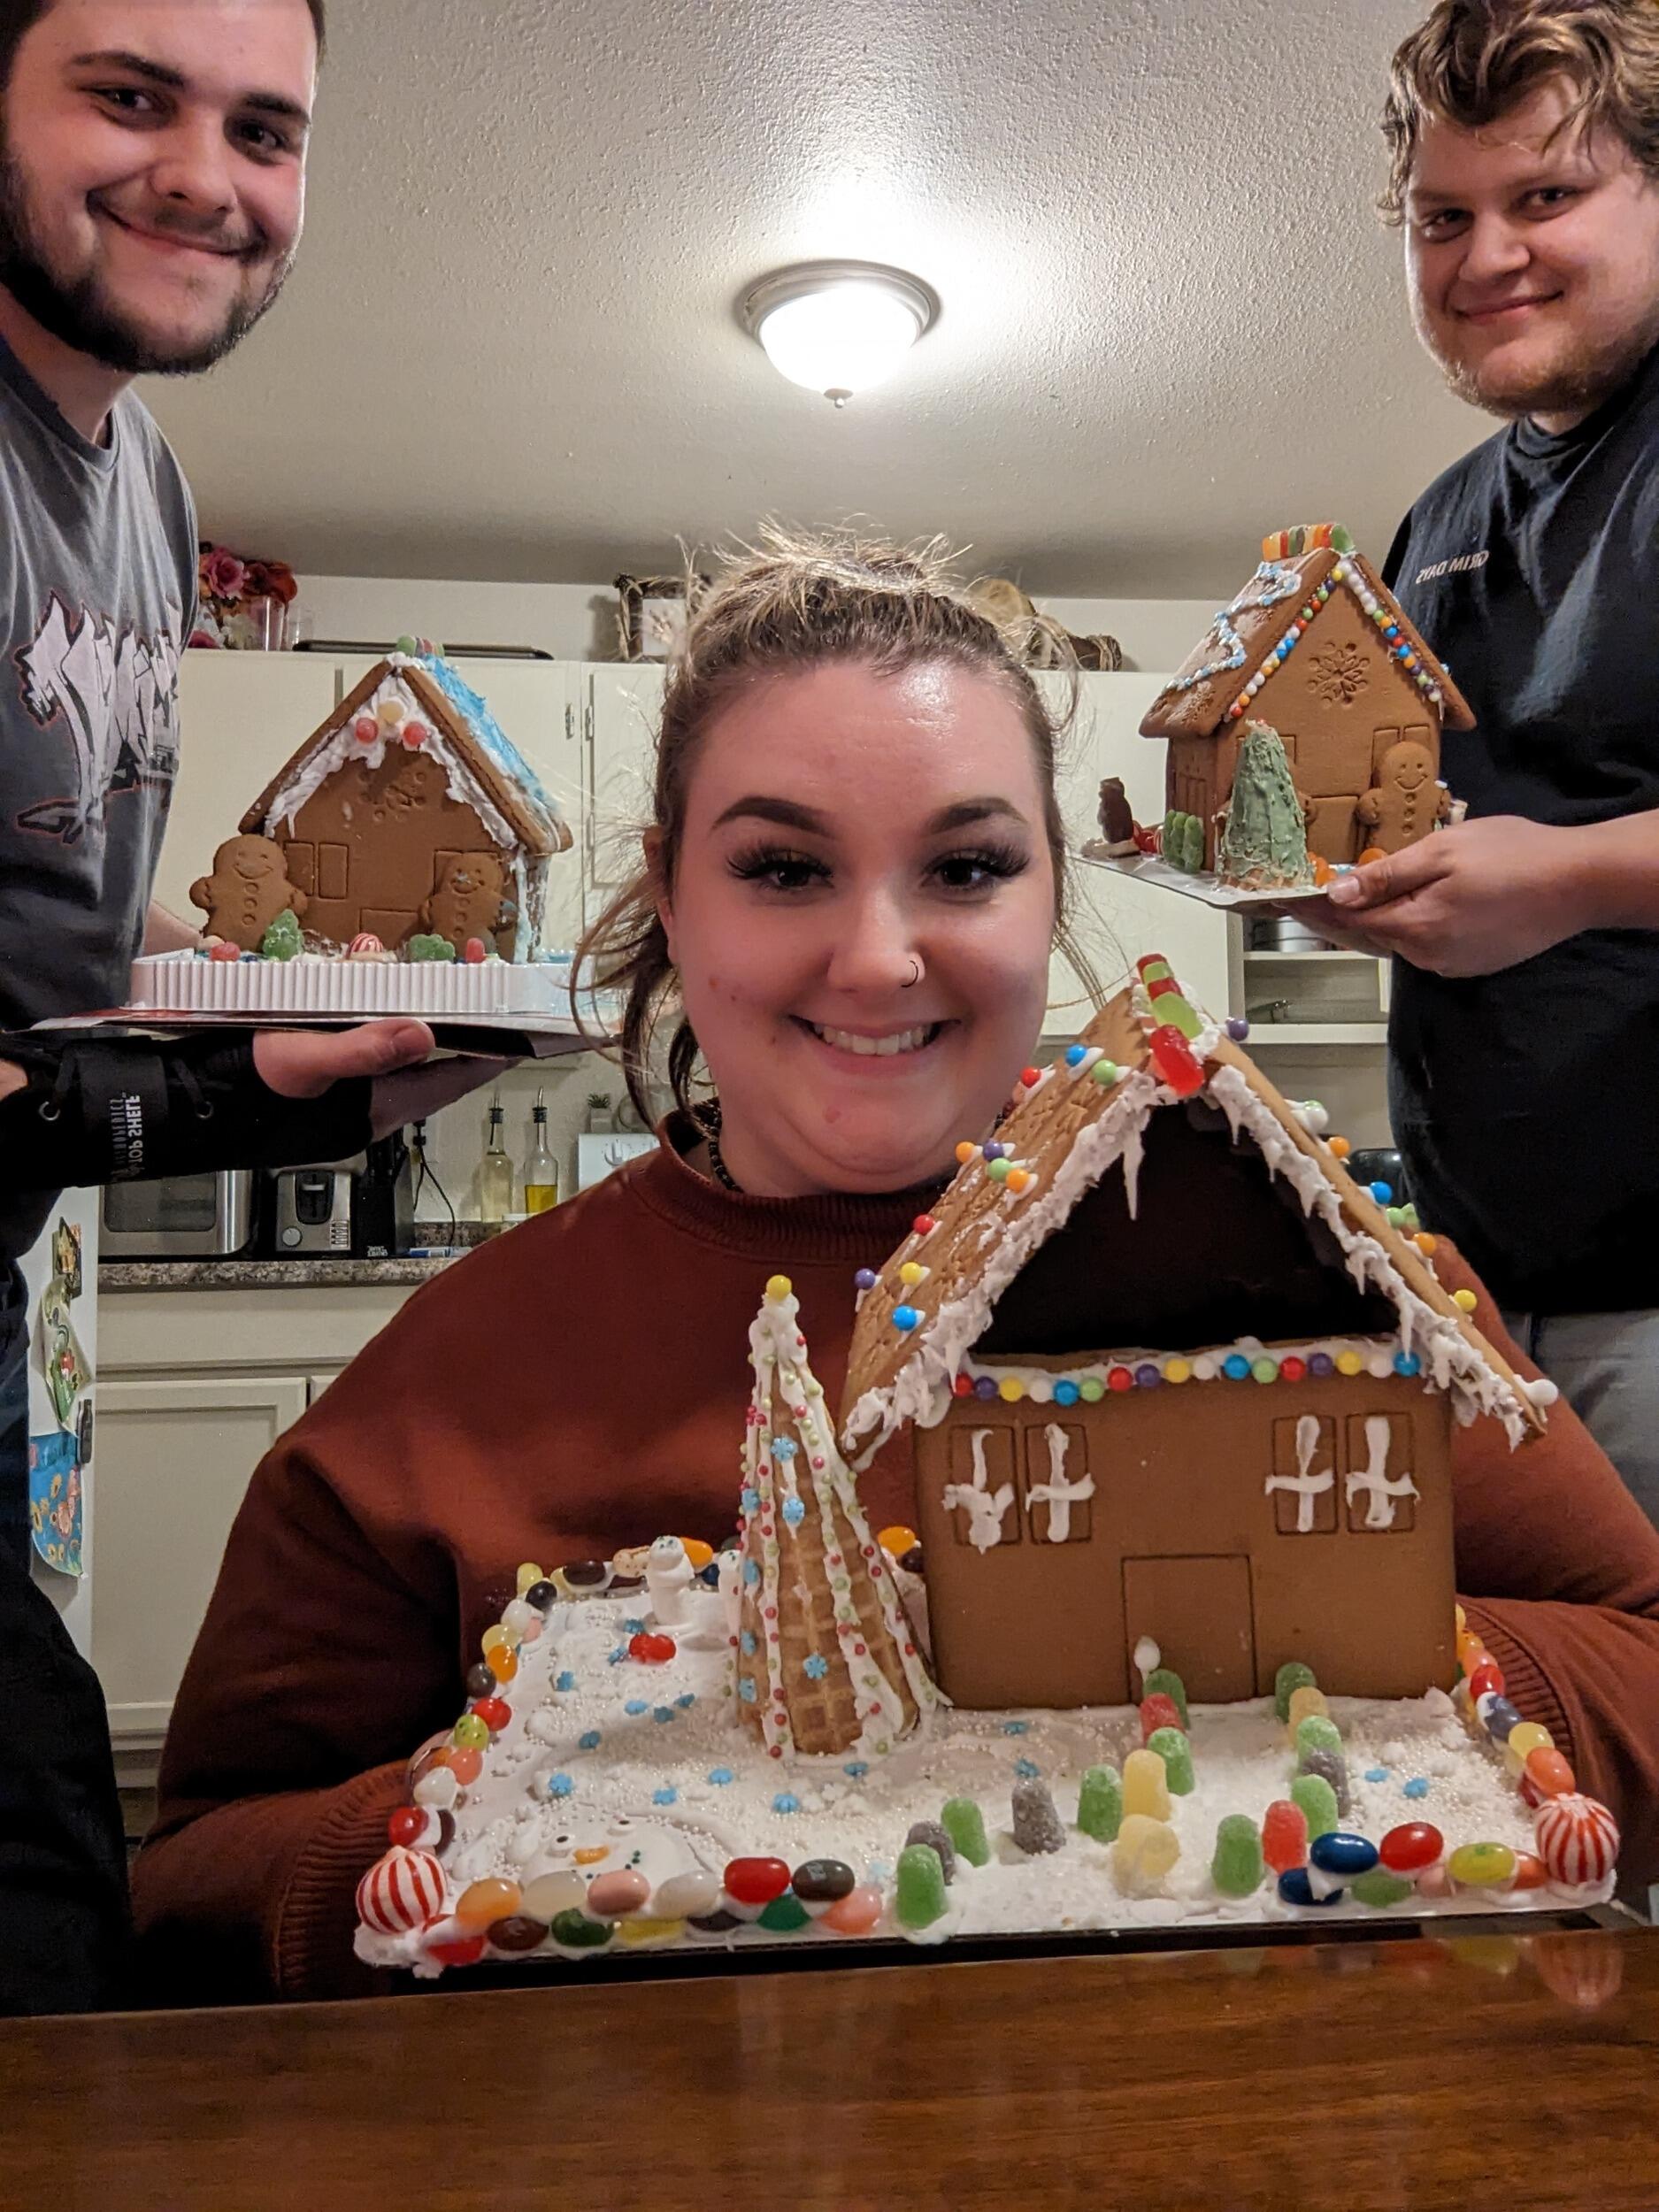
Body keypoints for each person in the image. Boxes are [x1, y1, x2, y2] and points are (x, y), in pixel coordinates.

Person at [130, 534, 1659, 2004]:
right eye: (785, 869)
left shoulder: (1312, 1262)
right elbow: (197, 1874)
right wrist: (516, 1833)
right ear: (673, 893)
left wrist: (1338, 1670)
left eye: (967, 866)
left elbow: (1642, 1672)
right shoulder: (462, 1370)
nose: (878, 958)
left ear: (1055, 887)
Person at [0, 0, 485, 2014]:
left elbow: (55, 971)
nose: (208, 175)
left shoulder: (143, 495)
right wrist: (200, 1112)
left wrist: (276, 1077)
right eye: (127, 96)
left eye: (263, 128)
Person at [1302, 0, 1659, 1524]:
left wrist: (1569, 881)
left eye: (1547, 197)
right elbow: (1429, 817)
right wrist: (1353, 889)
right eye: (1443, 216)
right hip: (1470, 1286)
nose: (1486, 255)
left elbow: (1545, 873)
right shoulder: (1435, 523)